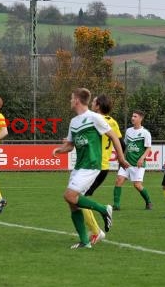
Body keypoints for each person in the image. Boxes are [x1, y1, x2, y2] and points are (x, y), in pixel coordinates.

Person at [52, 88, 128, 249]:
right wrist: (60, 150)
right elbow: (71, 146)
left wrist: (121, 158)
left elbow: (114, 136)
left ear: (78, 101)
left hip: (92, 164)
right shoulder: (74, 122)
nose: (70, 101)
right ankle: (85, 242)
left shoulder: (95, 118)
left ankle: (104, 209)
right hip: (79, 165)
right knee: (72, 203)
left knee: (70, 195)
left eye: (72, 98)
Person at [82, 94, 123, 245]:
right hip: (103, 167)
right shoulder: (113, 122)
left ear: (98, 106)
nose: (91, 103)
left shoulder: (94, 119)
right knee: (78, 197)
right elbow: (120, 141)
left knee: (77, 198)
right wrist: (122, 158)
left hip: (95, 165)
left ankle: (98, 226)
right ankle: (96, 230)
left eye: (93, 102)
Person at [113, 110, 153, 210]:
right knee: (119, 180)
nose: (132, 118)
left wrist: (142, 158)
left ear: (140, 118)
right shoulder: (128, 131)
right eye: (132, 116)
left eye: (135, 116)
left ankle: (148, 201)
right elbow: (125, 146)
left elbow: (148, 148)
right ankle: (116, 205)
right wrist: (121, 158)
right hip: (127, 163)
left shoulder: (145, 133)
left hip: (138, 164)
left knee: (137, 185)